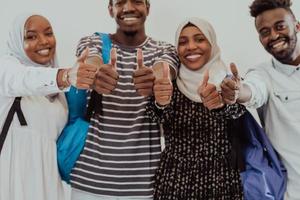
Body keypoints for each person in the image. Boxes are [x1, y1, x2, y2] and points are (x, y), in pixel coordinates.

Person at [69, 0, 179, 199]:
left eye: (137, 1)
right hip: (89, 184)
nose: (128, 8)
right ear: (111, 10)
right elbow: (91, 60)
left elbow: (164, 69)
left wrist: (155, 79)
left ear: (148, 8)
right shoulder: (93, 42)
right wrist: (96, 74)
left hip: (142, 187)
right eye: (120, 2)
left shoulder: (165, 49)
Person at [0, 13, 97, 200]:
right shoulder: (7, 69)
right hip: (13, 177)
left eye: (48, 33)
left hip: (47, 182)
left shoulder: (59, 93)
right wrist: (64, 77)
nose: (44, 41)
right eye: (31, 36)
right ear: (17, 42)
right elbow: (23, 79)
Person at [147, 17, 245, 200]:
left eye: (199, 39)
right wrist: (160, 102)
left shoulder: (228, 81)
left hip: (220, 179)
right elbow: (153, 117)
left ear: (212, 43)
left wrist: (222, 104)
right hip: (174, 179)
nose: (191, 47)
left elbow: (239, 113)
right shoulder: (170, 83)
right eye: (183, 42)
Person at [221, 0, 300, 199]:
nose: (273, 35)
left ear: (296, 26)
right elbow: (253, 91)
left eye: (280, 26)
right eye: (264, 32)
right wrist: (237, 92)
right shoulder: (262, 74)